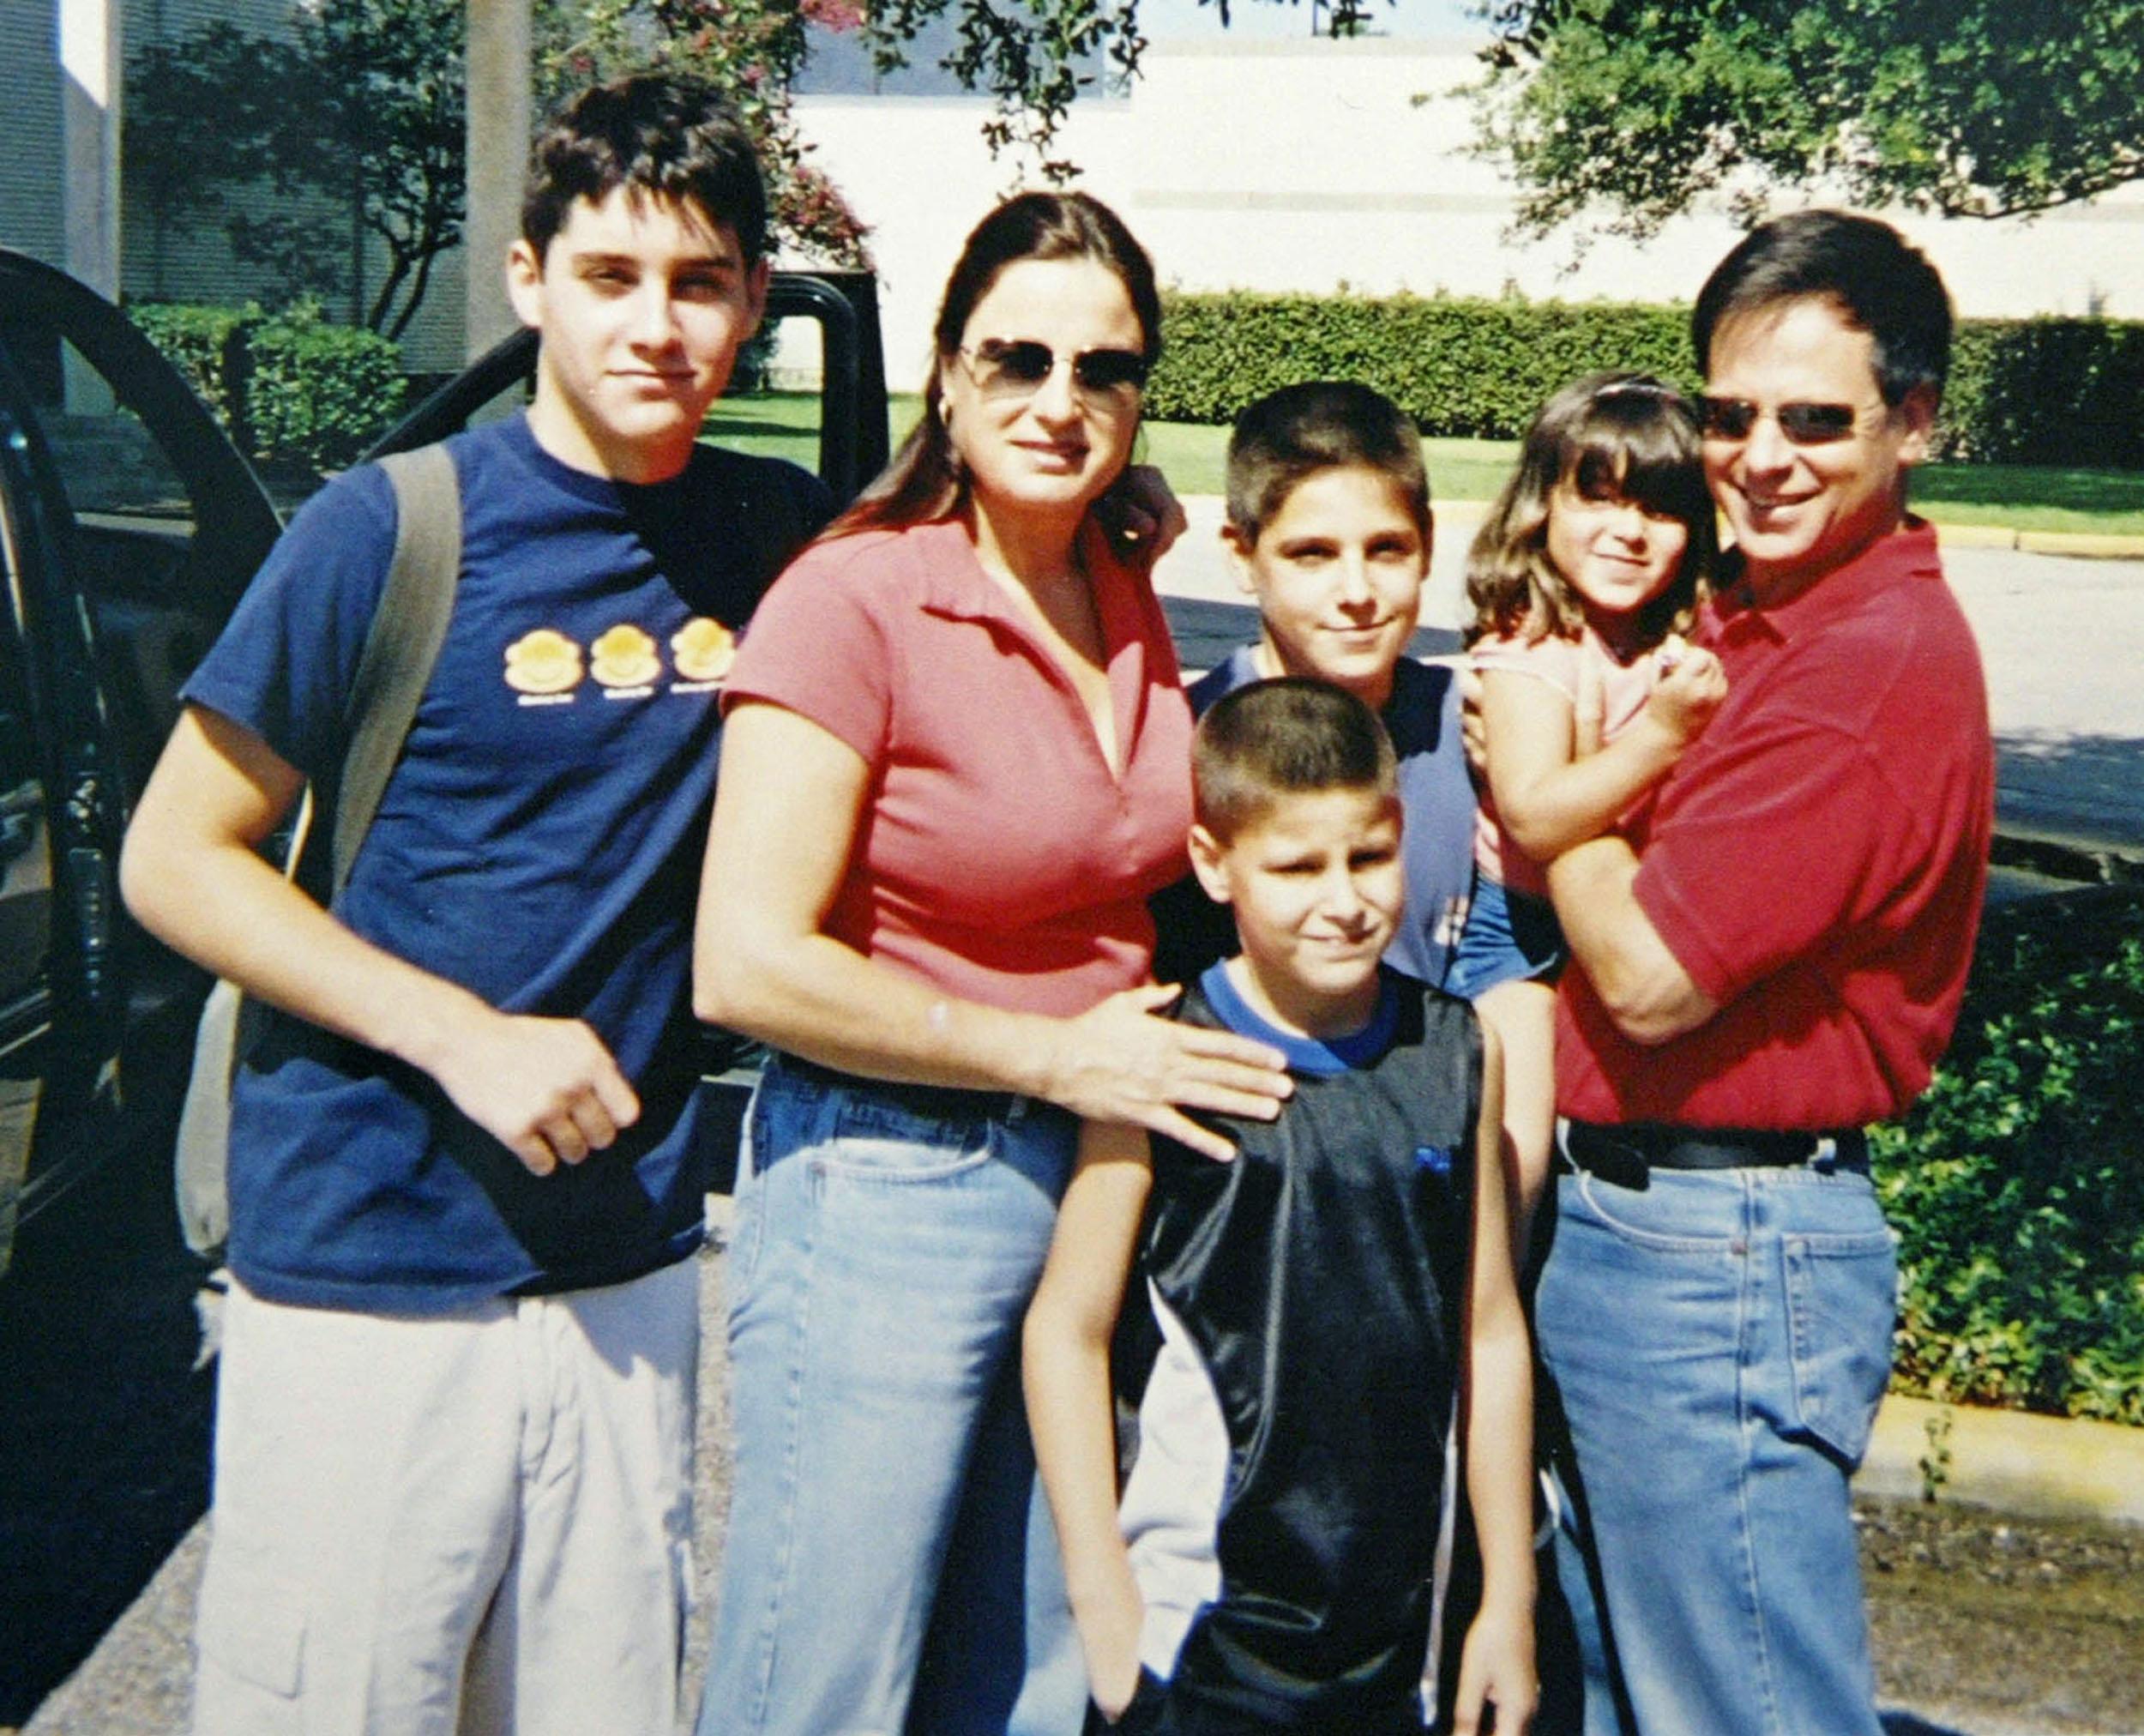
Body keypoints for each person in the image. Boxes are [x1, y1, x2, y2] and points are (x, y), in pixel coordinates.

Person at [117, 75, 830, 1734]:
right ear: (528, 279)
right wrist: (461, 1035)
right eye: (611, 275)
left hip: (624, 1271)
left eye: (703, 280)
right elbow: (175, 854)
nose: (659, 325)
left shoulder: (778, 536)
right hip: (365, 1270)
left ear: (750, 304)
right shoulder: (391, 526)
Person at [690, 191, 1293, 1736]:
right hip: (886, 1179)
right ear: (945, 378)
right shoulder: (856, 597)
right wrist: (1053, 1052)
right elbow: (744, 966)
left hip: (1086, 1192)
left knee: (1014, 1676)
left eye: (1104, 369)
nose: (1059, 398)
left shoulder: (1122, 570)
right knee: (819, 1681)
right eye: (1015, 358)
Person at [1534, 210, 1995, 1735]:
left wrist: (1551, 816)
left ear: (1914, 421)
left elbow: (1654, 972)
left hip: (1717, 1246)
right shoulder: (1761, 614)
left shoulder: (1864, 668)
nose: (1761, 457)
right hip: (1642, 1223)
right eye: (1730, 417)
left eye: (1818, 420)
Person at [1024, 677, 1537, 1735]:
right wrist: (1101, 1593)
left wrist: (1508, 1600)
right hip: (1200, 1636)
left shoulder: (1454, 1052)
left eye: (1368, 855)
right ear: (1215, 865)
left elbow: (1488, 1328)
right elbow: (1065, 1328)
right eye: (1297, 866)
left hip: (1396, 1647)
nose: (1343, 898)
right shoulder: (1168, 1054)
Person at [1451, 373, 1726, 1239]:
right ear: (1541, 506)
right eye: (1597, 497)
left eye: (1659, 509)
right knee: (1516, 1149)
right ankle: (1482, 1310)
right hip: (1514, 933)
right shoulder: (1531, 646)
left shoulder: (1658, 641)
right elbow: (1533, 812)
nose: (1627, 530)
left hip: (1610, 923)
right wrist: (1659, 738)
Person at [1157, 380, 1476, 993]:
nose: (1356, 593)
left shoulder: (1476, 730)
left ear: (1428, 546)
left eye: (1386, 550)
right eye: (1312, 555)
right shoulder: (1184, 745)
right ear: (1242, 554)